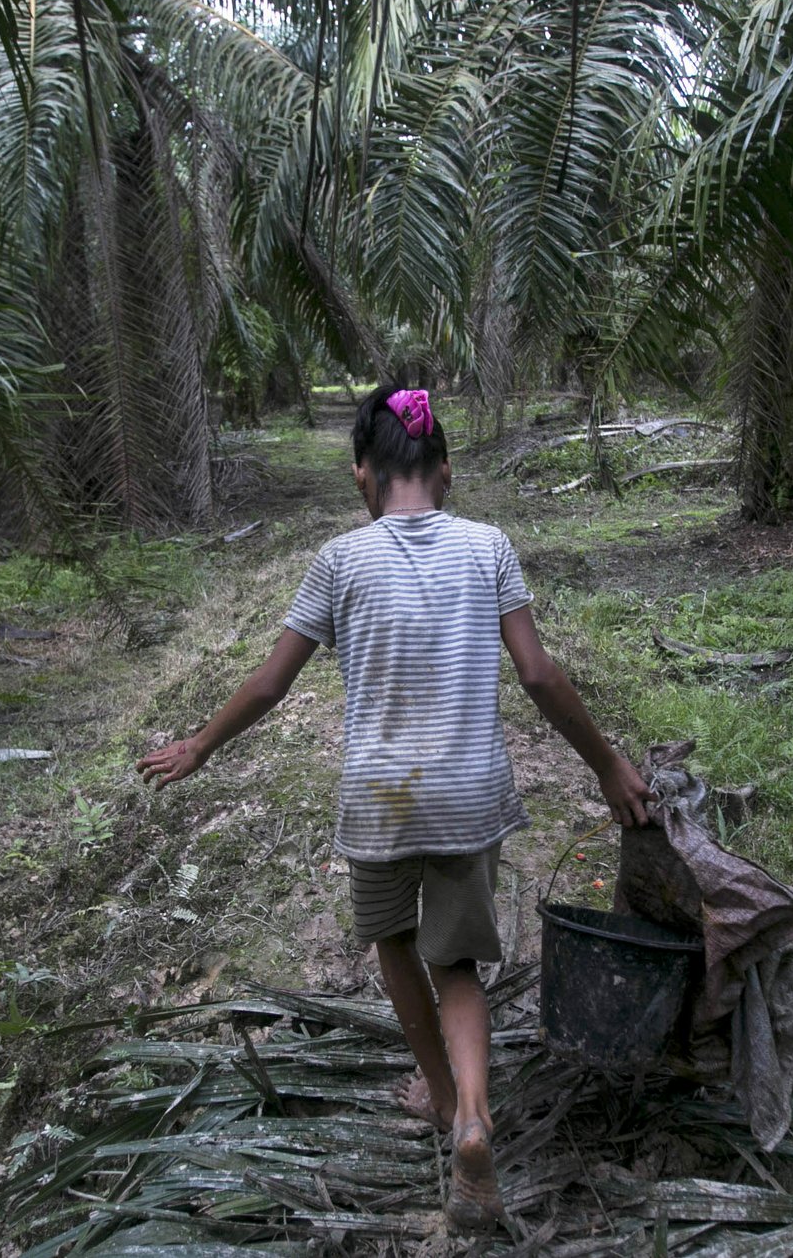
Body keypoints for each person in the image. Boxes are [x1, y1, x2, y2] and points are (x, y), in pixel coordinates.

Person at [136, 383, 653, 1230]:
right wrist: (607, 765)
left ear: (362, 476)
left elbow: (270, 682)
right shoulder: (488, 546)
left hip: (380, 800)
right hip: (468, 795)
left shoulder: (339, 560)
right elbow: (537, 672)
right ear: (445, 471)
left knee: (394, 943)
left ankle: (442, 1097)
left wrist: (200, 744)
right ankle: (475, 1118)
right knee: (459, 964)